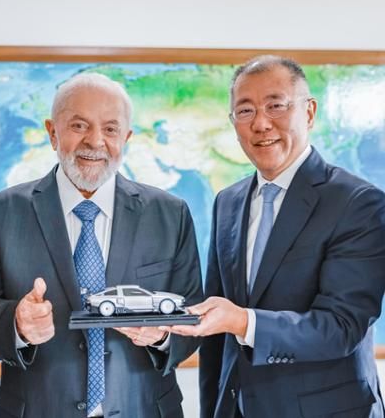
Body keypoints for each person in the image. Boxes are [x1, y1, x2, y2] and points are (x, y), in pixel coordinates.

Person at [0, 72, 203, 417]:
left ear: (126, 138)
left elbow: (193, 318)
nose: (95, 141)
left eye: (111, 129)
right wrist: (17, 324)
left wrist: (162, 336)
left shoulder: (170, 214)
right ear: (52, 132)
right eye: (78, 125)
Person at [165, 55, 385, 417]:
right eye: (245, 111)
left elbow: (342, 327)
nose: (261, 123)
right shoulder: (228, 201)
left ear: (309, 112)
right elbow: (217, 336)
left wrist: (243, 321)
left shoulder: (357, 202)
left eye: (276, 106)